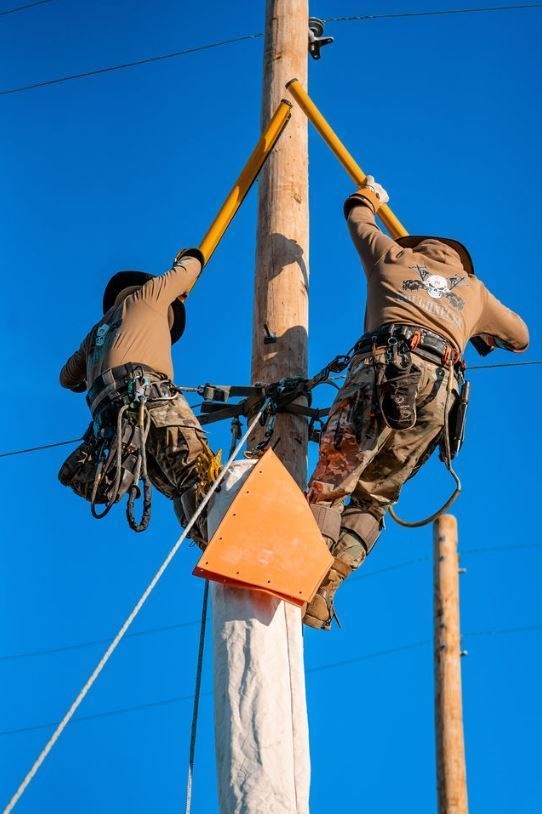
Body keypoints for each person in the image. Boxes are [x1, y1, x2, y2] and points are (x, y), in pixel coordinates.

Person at [303, 177, 529, 630]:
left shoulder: (393, 255)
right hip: (437, 392)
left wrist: (370, 193)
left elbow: (356, 214)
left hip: (385, 368)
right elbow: (521, 336)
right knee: (374, 497)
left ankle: (297, 574)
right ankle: (322, 592)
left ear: (420, 248)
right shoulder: (474, 290)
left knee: (334, 479)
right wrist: (479, 327)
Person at [58, 250, 219, 538]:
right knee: (198, 472)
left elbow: (66, 377)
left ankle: (207, 539)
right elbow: (188, 271)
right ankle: (226, 533)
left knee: (179, 487)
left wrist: (86, 377)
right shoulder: (149, 295)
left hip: (117, 428)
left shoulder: (95, 333)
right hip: (149, 397)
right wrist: (191, 256)